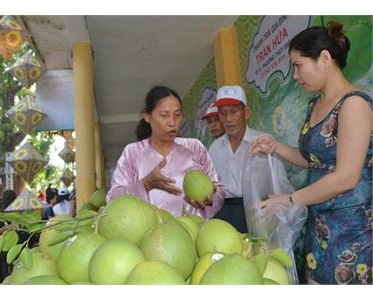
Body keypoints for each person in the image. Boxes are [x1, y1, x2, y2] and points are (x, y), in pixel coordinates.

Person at [249, 21, 372, 285]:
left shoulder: (354, 104)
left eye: (298, 65)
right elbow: (311, 161)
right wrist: (275, 147)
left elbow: (346, 177)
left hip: (352, 232)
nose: (295, 75)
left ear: (324, 59)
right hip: (319, 226)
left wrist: (289, 199)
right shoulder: (315, 105)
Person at [107, 86, 225, 218]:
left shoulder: (195, 148)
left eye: (177, 115)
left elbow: (218, 190)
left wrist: (210, 199)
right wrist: (144, 184)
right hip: (149, 234)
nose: (172, 122)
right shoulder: (133, 152)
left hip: (192, 231)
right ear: (147, 117)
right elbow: (113, 199)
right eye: (164, 115)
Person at [209, 85, 291, 233]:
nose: (228, 119)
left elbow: (281, 184)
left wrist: (277, 211)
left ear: (246, 113)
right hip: (224, 213)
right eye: (223, 113)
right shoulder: (215, 148)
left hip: (257, 212)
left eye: (234, 112)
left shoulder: (264, 142)